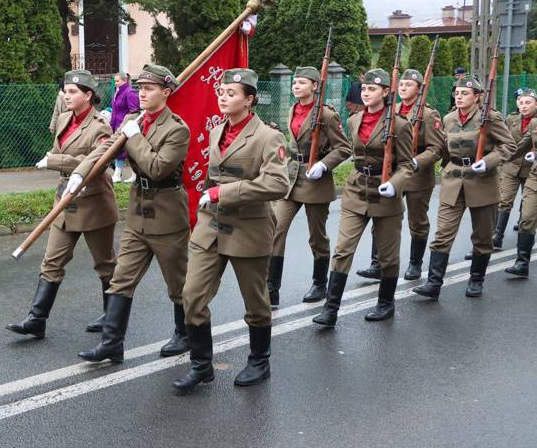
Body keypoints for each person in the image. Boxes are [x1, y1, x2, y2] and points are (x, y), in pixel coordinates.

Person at [172, 68, 289, 392]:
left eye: (232, 93)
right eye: (221, 92)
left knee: (255, 302)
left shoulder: (268, 137)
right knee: (192, 296)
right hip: (212, 227)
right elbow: (215, 176)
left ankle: (259, 361)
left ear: (249, 100)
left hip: (248, 229)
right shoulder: (216, 131)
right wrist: (208, 197)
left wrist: (223, 193)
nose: (223, 98)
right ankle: (201, 365)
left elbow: (278, 183)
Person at [68, 64, 191, 363]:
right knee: (121, 280)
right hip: (138, 215)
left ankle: (185, 333)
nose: (143, 93)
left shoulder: (177, 129)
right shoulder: (134, 120)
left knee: (178, 285)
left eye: (149, 88)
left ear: (166, 91)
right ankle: (112, 344)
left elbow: (158, 168)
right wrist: (80, 173)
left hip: (166, 215)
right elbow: (103, 151)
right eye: (140, 88)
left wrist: (134, 137)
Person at [6, 70, 118, 338]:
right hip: (64, 201)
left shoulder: (100, 126)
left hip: (93, 202)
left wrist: (56, 162)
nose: (66, 96)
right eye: (65, 91)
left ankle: (111, 316)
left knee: (104, 264)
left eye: (72, 92)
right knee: (52, 261)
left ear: (88, 96)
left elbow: (99, 164)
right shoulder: (65, 119)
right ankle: (36, 319)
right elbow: (59, 151)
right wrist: (58, 160)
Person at [312, 68, 413, 327]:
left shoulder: (399, 125)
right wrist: (324, 164)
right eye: (365, 89)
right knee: (343, 249)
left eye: (373, 89)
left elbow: (407, 165)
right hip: (357, 189)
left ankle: (386, 303)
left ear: (386, 92)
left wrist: (395, 184)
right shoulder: (354, 120)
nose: (367, 94)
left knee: (388, 256)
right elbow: (349, 151)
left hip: (385, 191)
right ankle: (331, 309)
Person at [412, 75, 516, 300]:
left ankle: (476, 280)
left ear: (478, 97)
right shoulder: (449, 118)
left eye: (465, 93)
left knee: (482, 237)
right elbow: (442, 148)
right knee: (443, 234)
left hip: (482, 181)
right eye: (457, 93)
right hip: (453, 180)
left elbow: (509, 145)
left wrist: (487, 162)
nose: (459, 97)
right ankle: (433, 283)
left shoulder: (489, 118)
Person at [268, 66, 351, 307]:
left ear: (315, 86)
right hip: (292, 177)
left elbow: (343, 148)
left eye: (302, 82)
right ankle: (272, 287)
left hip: (315, 180)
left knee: (316, 236)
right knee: (276, 229)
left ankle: (319, 283)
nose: (296, 86)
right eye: (295, 82)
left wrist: (324, 165)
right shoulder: (292, 109)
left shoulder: (326, 114)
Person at [356, 69, 445, 281]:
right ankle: (377, 263)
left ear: (419, 89)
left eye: (409, 85)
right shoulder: (391, 110)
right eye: (401, 84)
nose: (403, 88)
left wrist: (415, 161)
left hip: (417, 175)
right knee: (381, 216)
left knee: (417, 221)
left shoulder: (429, 113)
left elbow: (436, 148)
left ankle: (415, 263)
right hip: (392, 173)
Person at [504, 87, 537, 278]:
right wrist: (494, 159)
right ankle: (521, 263)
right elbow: (519, 147)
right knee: (527, 219)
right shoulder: (536, 123)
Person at [487, 87, 537, 252]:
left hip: (532, 168)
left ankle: (525, 234)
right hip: (511, 166)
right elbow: (504, 140)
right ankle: (497, 236)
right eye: (521, 102)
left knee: (528, 202)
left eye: (528, 103)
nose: (524, 106)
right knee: (504, 200)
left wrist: (535, 153)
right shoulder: (511, 119)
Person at [110, 72, 140, 183]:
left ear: (125, 81)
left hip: (126, 126)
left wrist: (127, 125)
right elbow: (115, 110)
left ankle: (132, 175)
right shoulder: (117, 92)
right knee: (119, 150)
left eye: (117, 81)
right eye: (115, 81)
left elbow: (134, 111)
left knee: (129, 151)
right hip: (116, 125)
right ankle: (118, 174)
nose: (115, 83)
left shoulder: (130, 92)